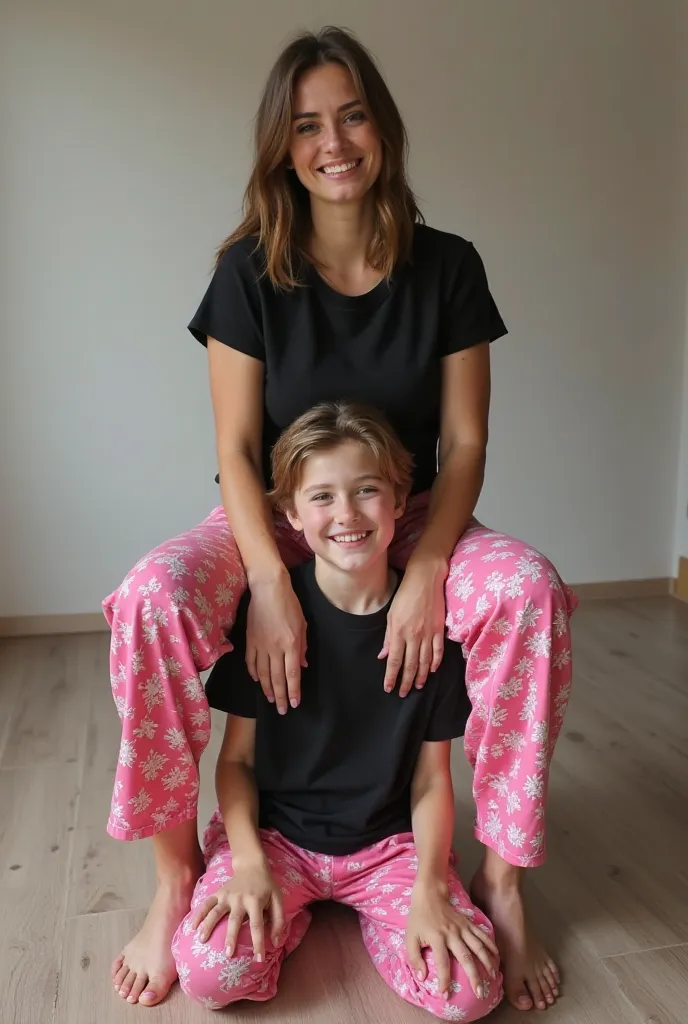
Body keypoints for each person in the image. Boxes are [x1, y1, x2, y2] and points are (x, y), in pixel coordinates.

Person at [105, 25, 576, 1011]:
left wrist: (429, 565)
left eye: (352, 114)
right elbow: (236, 453)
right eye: (309, 124)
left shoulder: (448, 266)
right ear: (283, 144)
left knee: (529, 589)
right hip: (275, 520)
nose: (334, 141)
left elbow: (467, 445)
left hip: (406, 514)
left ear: (383, 127)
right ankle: (173, 881)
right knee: (150, 596)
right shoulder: (246, 272)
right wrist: (268, 581)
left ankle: (500, 878)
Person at [171, 402, 501, 1019]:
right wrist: (247, 862)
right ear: (291, 516)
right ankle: (289, 915)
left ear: (400, 501)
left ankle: (378, 919)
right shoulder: (266, 622)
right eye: (321, 497)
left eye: (366, 490)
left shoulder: (433, 628)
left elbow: (432, 779)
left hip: (389, 847)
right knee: (210, 976)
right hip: (275, 840)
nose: (346, 514)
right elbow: (236, 763)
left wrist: (429, 887)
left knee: (469, 994)